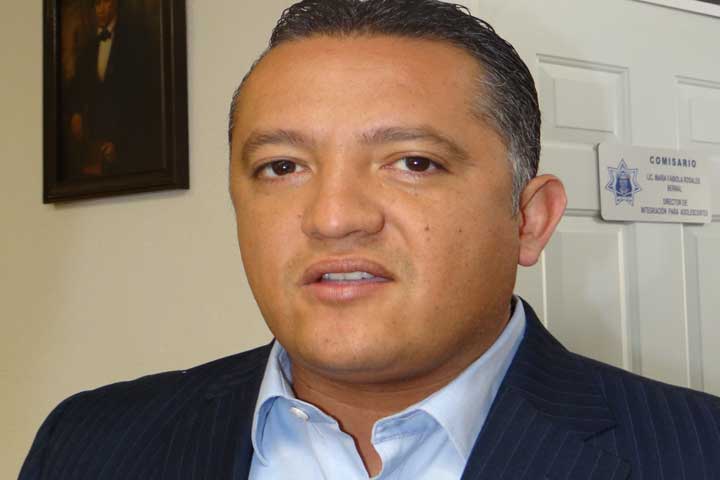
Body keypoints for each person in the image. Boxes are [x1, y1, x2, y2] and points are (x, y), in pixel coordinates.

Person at [21, 1, 720, 479]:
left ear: (529, 220)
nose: (333, 218)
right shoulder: (89, 444)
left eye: (413, 162)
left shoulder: (696, 452)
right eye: (282, 167)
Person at [66, 0, 160, 177]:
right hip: (94, 140)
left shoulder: (134, 40)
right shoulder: (88, 47)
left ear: (116, 3)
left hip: (125, 139)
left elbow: (140, 100)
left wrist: (120, 143)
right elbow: (78, 86)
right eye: (97, 4)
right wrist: (76, 113)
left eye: (105, 2)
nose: (100, 9)